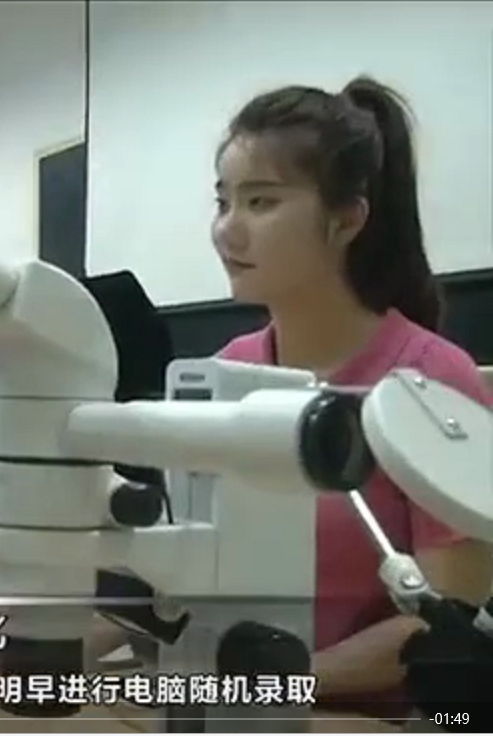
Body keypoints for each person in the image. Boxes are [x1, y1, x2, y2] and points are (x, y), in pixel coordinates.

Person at [208, 76, 493, 717]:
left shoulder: (432, 379)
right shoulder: (227, 370)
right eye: (223, 202)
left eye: (261, 202)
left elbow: (442, 621)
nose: (228, 230)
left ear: (346, 220)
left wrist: (284, 681)